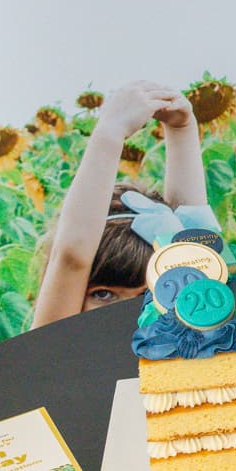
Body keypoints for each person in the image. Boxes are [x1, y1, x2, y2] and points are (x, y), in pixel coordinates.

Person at [29, 80, 210, 326]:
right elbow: (73, 256)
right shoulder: (58, 341)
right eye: (103, 294)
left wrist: (182, 129)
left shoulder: (180, 329)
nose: (129, 313)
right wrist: (110, 132)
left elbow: (197, 244)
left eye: (147, 295)